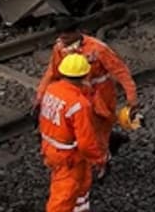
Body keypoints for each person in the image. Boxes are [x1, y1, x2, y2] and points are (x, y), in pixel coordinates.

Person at [34, 16, 138, 169]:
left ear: (77, 31)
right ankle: (104, 149)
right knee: (82, 129)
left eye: (67, 34)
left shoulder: (97, 49)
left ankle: (103, 163)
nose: (63, 38)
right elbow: (52, 72)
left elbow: (120, 71)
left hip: (101, 95)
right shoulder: (60, 48)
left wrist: (132, 97)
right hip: (77, 95)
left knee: (100, 129)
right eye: (61, 34)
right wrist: (40, 95)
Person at [38, 54, 105, 212]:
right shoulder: (79, 104)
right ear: (85, 75)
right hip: (68, 157)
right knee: (63, 198)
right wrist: (100, 158)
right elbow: (86, 143)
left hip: (51, 148)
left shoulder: (52, 89)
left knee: (81, 185)